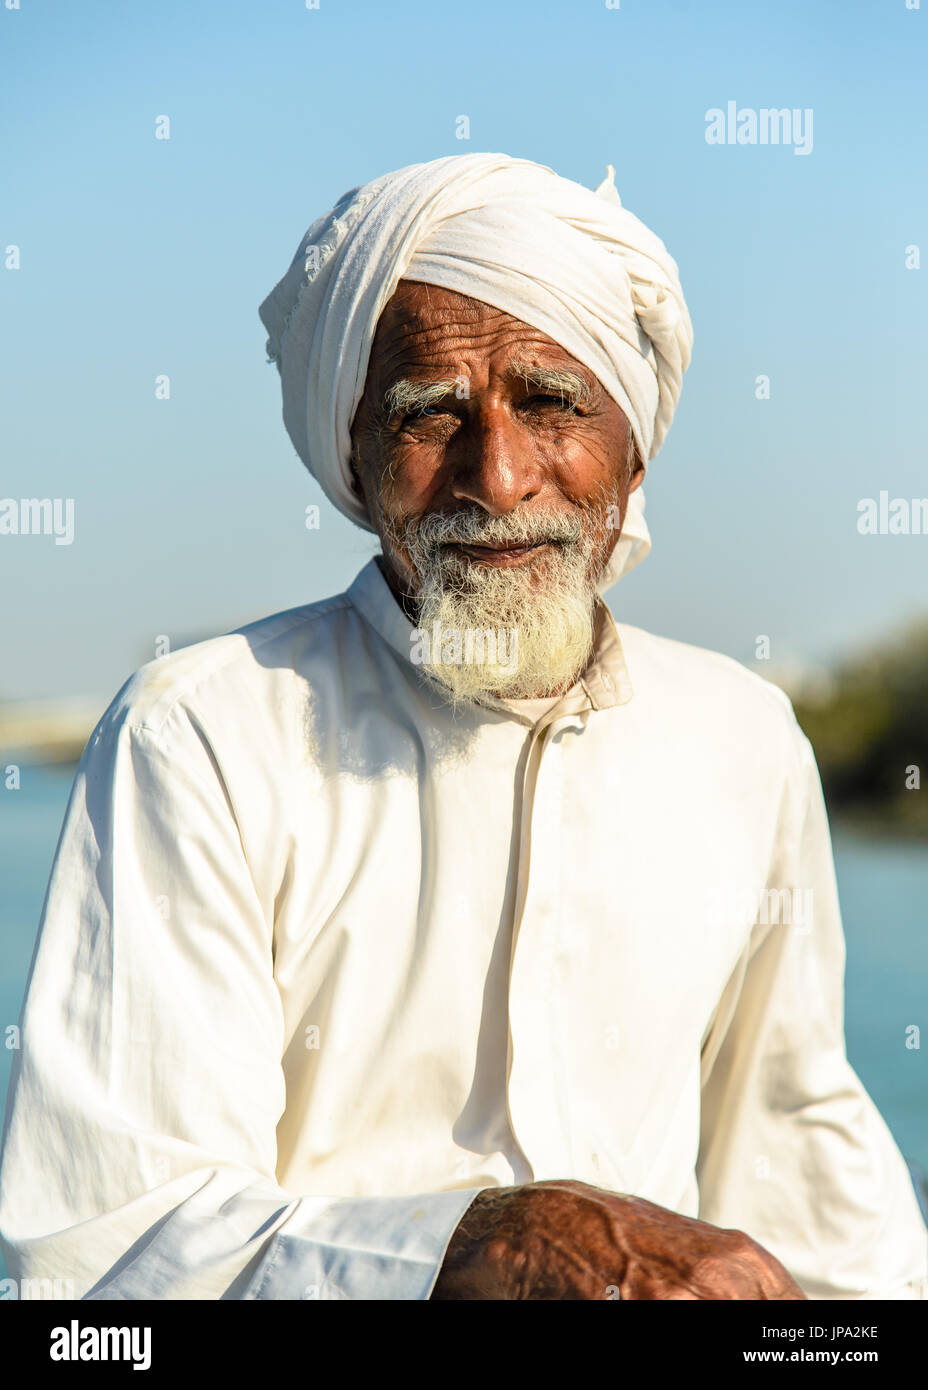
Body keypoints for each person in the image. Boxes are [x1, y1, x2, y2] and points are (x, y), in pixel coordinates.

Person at [1, 153, 925, 1301]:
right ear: (354, 458)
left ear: (631, 455)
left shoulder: (742, 738)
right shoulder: (200, 734)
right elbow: (107, 1253)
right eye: (429, 413)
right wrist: (492, 1246)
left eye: (550, 403)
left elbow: (811, 1195)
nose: (495, 474)